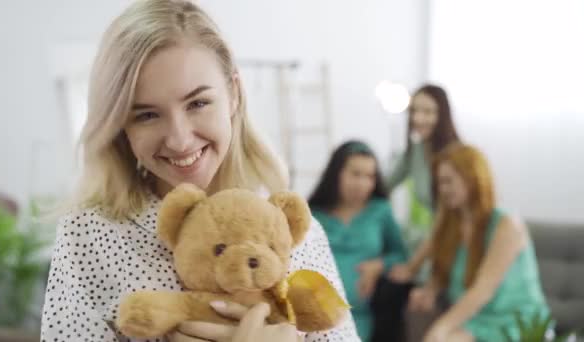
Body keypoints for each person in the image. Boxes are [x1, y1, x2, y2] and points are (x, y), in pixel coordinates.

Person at [40, 1, 359, 341]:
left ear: (233, 94)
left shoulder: (296, 235)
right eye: (147, 115)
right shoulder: (87, 234)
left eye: (197, 103)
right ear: (120, 125)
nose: (179, 140)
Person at [408, 143, 549, 342]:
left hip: (518, 323)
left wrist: (440, 329)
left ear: (471, 178)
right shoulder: (450, 225)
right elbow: (442, 273)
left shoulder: (507, 225)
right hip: (477, 320)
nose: (443, 189)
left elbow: (483, 289)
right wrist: (429, 291)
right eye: (439, 183)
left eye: (448, 181)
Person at [370, 84, 461, 342]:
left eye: (428, 112)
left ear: (442, 115)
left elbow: (445, 225)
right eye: (415, 111)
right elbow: (384, 186)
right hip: (429, 246)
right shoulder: (416, 150)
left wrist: (413, 267)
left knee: (393, 292)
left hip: (450, 248)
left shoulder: (452, 157)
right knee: (387, 291)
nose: (419, 118)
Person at [308, 140, 408, 342]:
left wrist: (379, 265)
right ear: (336, 174)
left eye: (369, 176)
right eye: (355, 174)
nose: (363, 183)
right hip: (316, 315)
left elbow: (401, 255)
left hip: (364, 316)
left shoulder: (381, 211)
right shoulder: (312, 215)